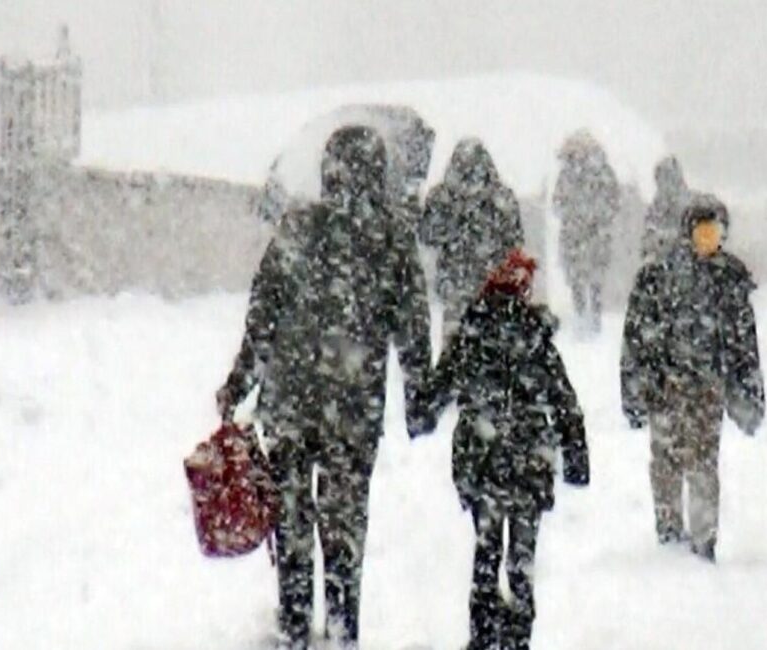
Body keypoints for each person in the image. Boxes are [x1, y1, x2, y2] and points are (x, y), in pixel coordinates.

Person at [217, 126, 434, 649]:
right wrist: (419, 396)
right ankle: (341, 630)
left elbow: (262, 317)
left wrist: (240, 382)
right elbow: (412, 328)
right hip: (353, 410)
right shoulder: (391, 242)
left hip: (290, 406)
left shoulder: (297, 229)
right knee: (343, 529)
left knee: (292, 523)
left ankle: (294, 627)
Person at [421, 249, 590, 650]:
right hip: (530, 462)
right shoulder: (536, 338)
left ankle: (482, 635)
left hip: (481, 463)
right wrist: (576, 455)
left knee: (486, 550)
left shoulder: (471, 334)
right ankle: (517, 635)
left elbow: (436, 390)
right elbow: (564, 400)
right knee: (522, 559)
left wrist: (422, 413)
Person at [620, 192, 764, 562]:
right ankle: (669, 534)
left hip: (706, 391)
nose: (708, 242)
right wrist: (635, 389)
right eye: (702, 234)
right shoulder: (658, 276)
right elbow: (636, 338)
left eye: (715, 234)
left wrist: (748, 392)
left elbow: (743, 344)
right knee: (665, 462)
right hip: (665, 386)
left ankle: (703, 541)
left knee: (702, 464)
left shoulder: (729, 279)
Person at [420, 138, 524, 333]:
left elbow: (427, 235)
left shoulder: (442, 197)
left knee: (455, 350)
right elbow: (516, 240)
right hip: (491, 289)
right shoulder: (502, 198)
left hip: (458, 286)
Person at [553, 130, 621, 333]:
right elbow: (558, 202)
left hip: (589, 235)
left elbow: (612, 200)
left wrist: (588, 217)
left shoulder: (598, 173)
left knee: (591, 278)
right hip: (581, 235)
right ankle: (583, 316)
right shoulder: (569, 174)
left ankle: (591, 317)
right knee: (581, 278)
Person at [641, 156, 690, 264]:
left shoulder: (690, 205)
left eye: (669, 178)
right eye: (662, 179)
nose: (666, 185)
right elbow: (647, 238)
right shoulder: (654, 209)